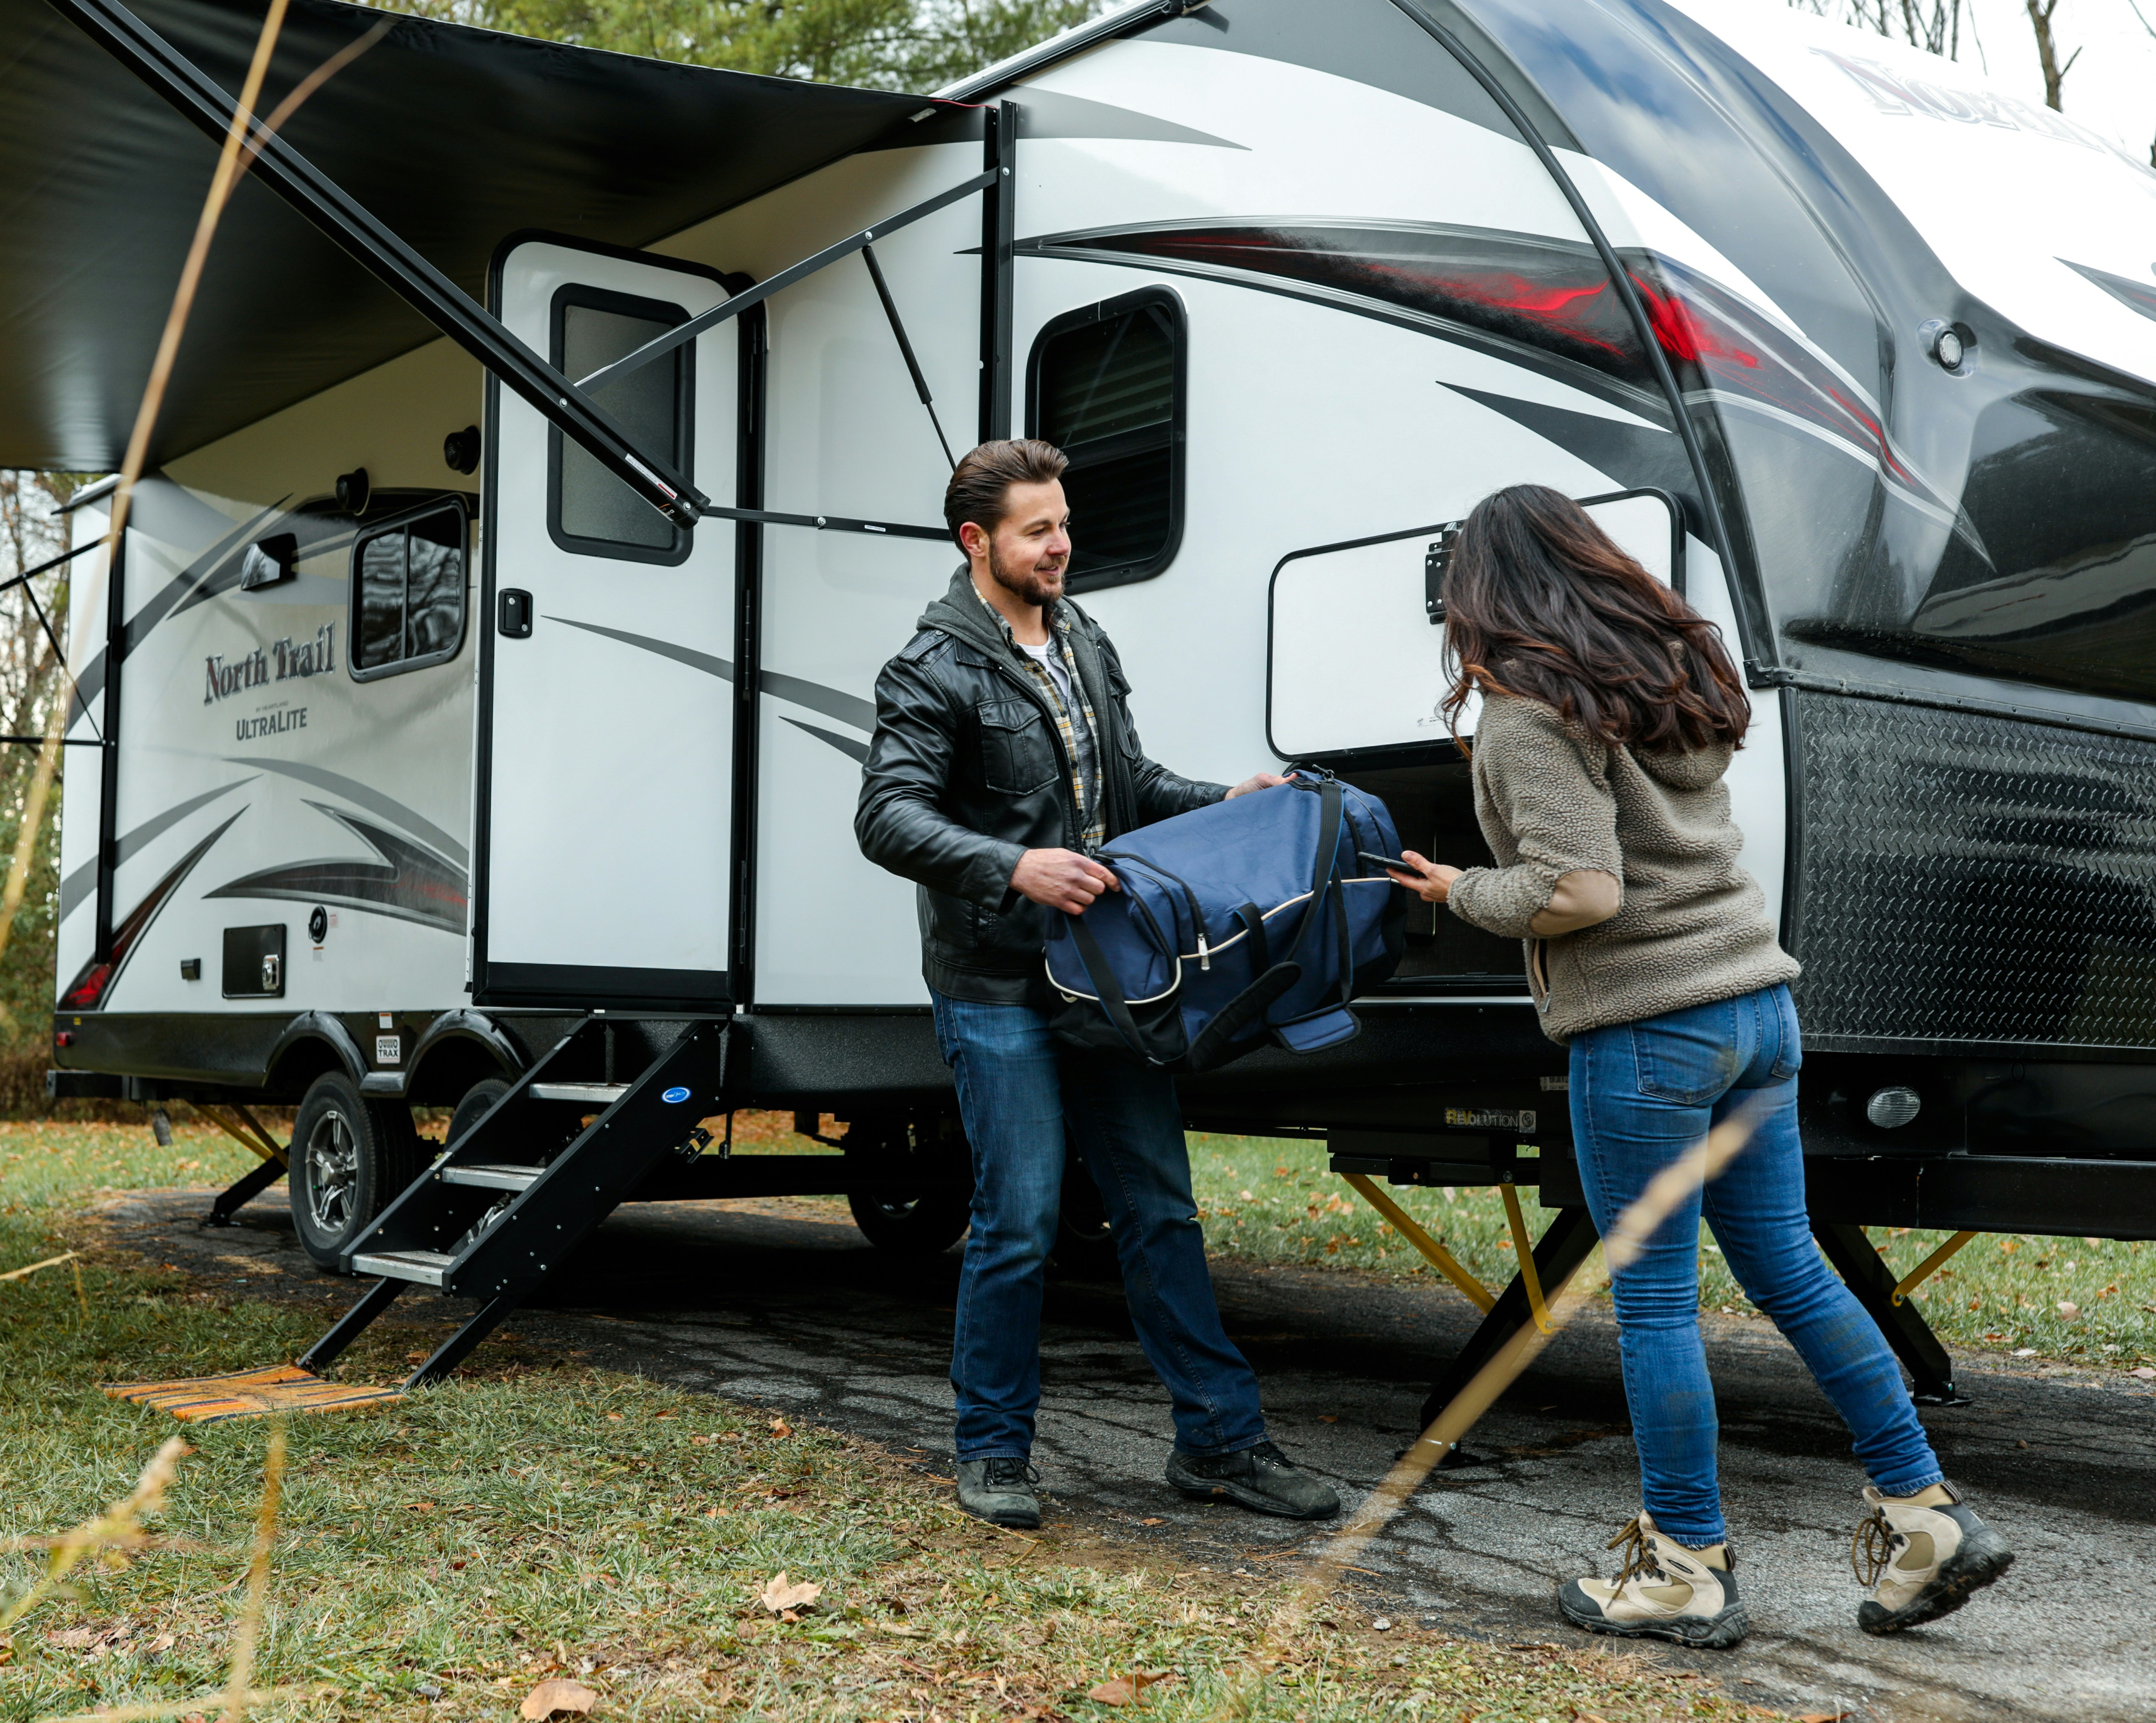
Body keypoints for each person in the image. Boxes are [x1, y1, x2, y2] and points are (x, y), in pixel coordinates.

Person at [1386, 484, 2012, 1647]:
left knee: (1658, 1304)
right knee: (1793, 1271)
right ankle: (1922, 1514)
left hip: (1649, 1028)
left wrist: (1458, 890)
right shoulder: (1668, 678)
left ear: (1484, 593)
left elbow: (1581, 890)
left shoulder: (1532, 712)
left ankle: (1683, 1563)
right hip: (1756, 1009)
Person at [854, 438, 1341, 1530]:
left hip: (1107, 981)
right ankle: (991, 1451)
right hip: (996, 982)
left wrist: (1233, 799)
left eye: (1064, 523)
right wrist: (1010, 865)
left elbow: (1130, 786)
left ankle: (1218, 1443)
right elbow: (885, 815)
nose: (1062, 544)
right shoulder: (931, 668)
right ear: (977, 542)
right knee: (1019, 1216)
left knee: (1159, 1207)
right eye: (1039, 529)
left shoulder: (1083, 640)